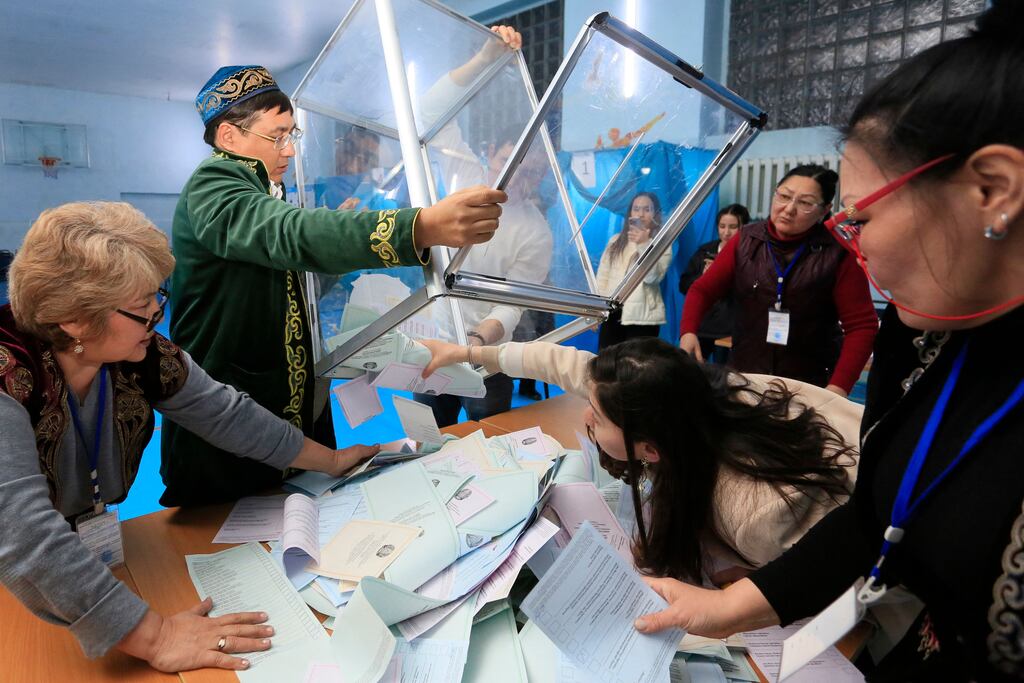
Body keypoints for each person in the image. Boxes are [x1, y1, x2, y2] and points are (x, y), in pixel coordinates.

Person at [631, 3, 1024, 680]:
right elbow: (872, 515)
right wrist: (721, 609)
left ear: (993, 189)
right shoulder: (919, 329)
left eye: (862, 218)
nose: (854, 240)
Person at [0, 202, 374, 673]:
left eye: (158, 297)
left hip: (75, 561)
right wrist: (155, 637)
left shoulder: (139, 353)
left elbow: (225, 413)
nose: (159, 312)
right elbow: (22, 532)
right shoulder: (6, 372)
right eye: (142, 308)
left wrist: (332, 461)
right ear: (76, 320)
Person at [162, 65, 508, 505]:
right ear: (229, 137)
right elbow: (289, 235)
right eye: (277, 135)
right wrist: (415, 228)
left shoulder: (267, 190)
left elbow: (287, 282)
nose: (288, 149)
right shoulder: (213, 184)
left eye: (293, 135)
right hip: (235, 411)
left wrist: (331, 262)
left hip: (288, 406)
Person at [420, 335, 862, 584]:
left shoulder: (758, 514)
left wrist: (735, 590)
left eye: (598, 416)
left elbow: (827, 578)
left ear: (652, 450)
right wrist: (467, 354)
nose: (586, 416)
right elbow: (567, 365)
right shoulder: (674, 395)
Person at [411, 26, 554, 425]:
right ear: (491, 152)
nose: (517, 181)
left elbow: (511, 305)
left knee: (483, 448)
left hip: (486, 360)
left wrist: (473, 345)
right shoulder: (463, 170)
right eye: (510, 164)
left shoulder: (535, 232)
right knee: (424, 442)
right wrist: (484, 59)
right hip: (431, 346)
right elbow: (429, 112)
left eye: (533, 173)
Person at [679, 165, 878, 395]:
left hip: (810, 384)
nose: (789, 209)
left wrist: (838, 387)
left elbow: (862, 326)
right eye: (784, 196)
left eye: (805, 203)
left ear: (824, 210)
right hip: (747, 376)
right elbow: (702, 290)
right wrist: (688, 331)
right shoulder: (745, 240)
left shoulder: (837, 253)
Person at [596, 192, 674, 350]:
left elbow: (652, 278)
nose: (641, 213)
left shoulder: (661, 243)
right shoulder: (616, 240)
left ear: (655, 213)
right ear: (630, 213)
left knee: (636, 368)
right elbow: (602, 278)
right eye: (636, 208)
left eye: (647, 209)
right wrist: (596, 310)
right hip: (612, 314)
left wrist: (643, 244)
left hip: (642, 319)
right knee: (606, 365)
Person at [679, 203, 751, 360]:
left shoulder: (749, 255)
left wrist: (724, 278)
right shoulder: (705, 250)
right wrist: (704, 278)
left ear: (744, 227)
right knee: (694, 370)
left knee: (723, 376)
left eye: (733, 227)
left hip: (729, 328)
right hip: (702, 326)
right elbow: (684, 284)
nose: (726, 232)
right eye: (722, 226)